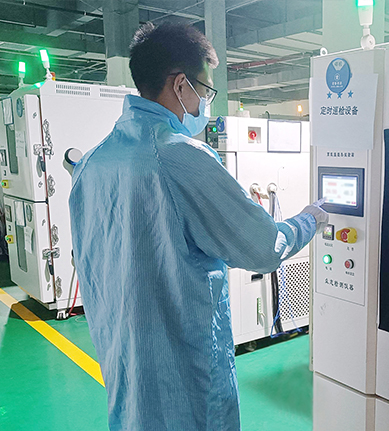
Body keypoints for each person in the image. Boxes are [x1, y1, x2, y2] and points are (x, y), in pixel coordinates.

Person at [69, 22, 328, 431]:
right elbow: (263, 247)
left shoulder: (92, 163)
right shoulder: (181, 157)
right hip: (184, 378)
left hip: (124, 365)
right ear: (180, 85)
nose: (206, 102)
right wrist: (310, 219)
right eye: (206, 89)